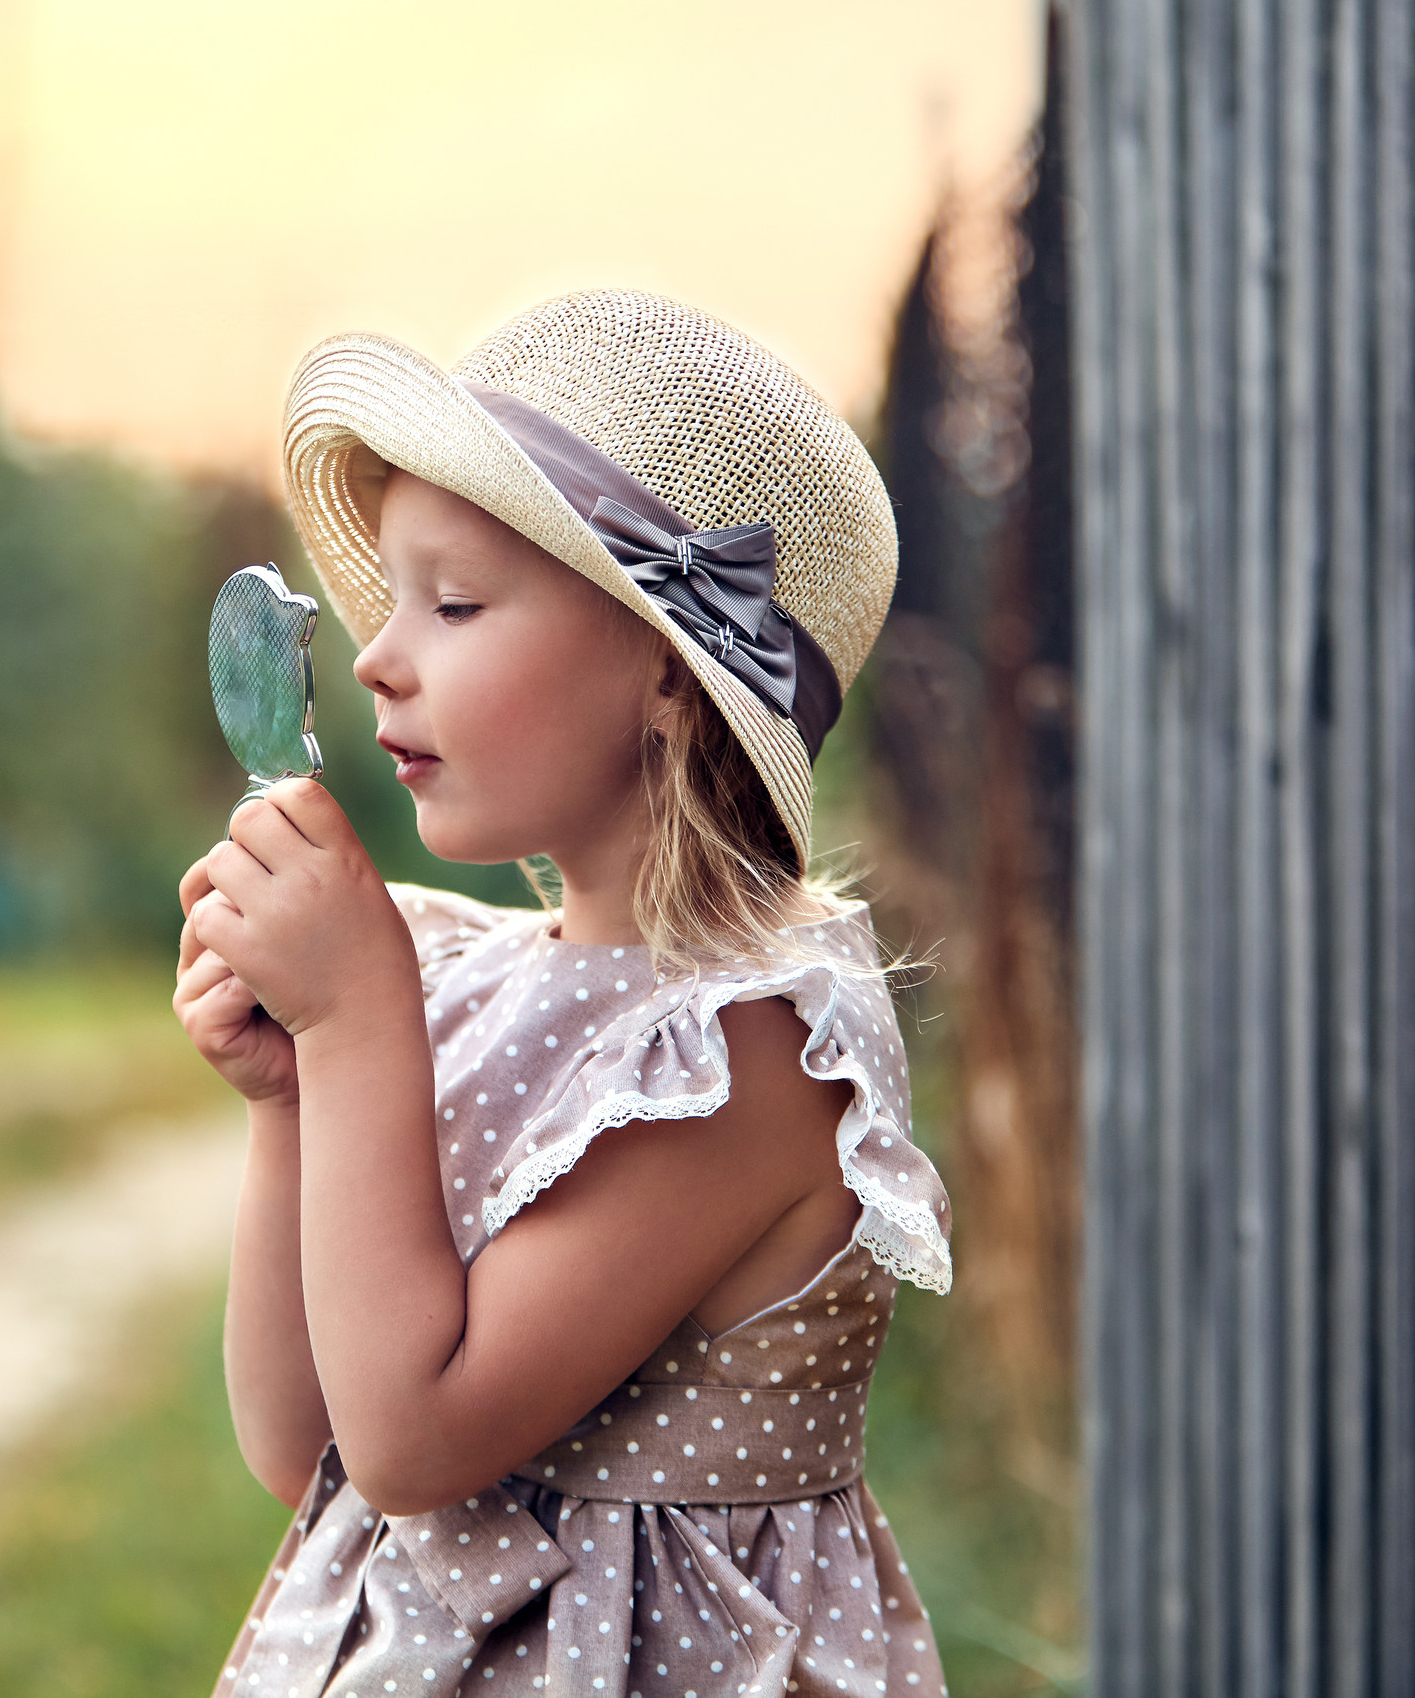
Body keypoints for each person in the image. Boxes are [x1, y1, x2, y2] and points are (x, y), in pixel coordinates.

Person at [175, 290, 952, 1698]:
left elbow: (417, 1440)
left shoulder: (748, 1051)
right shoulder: (470, 973)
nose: (374, 656)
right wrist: (293, 1099)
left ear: (666, 668)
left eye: (455, 602)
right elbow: (319, 1453)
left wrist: (355, 1028)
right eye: (393, 596)